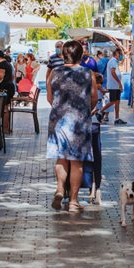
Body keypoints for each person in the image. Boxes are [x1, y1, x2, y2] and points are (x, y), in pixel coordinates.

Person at [47, 40, 98, 212]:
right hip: (79, 120)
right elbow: (94, 98)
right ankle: (74, 202)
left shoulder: (54, 72)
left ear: (63, 54)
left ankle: (60, 189)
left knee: (61, 157)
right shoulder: (87, 73)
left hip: (58, 119)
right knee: (77, 162)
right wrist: (86, 110)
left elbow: (49, 97)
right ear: (81, 55)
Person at [99, 48, 126, 125]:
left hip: (115, 85)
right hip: (114, 85)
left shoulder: (114, 61)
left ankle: (117, 118)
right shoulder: (113, 61)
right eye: (120, 54)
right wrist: (119, 82)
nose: (120, 55)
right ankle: (100, 111)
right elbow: (113, 72)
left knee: (117, 101)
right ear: (116, 54)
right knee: (113, 101)